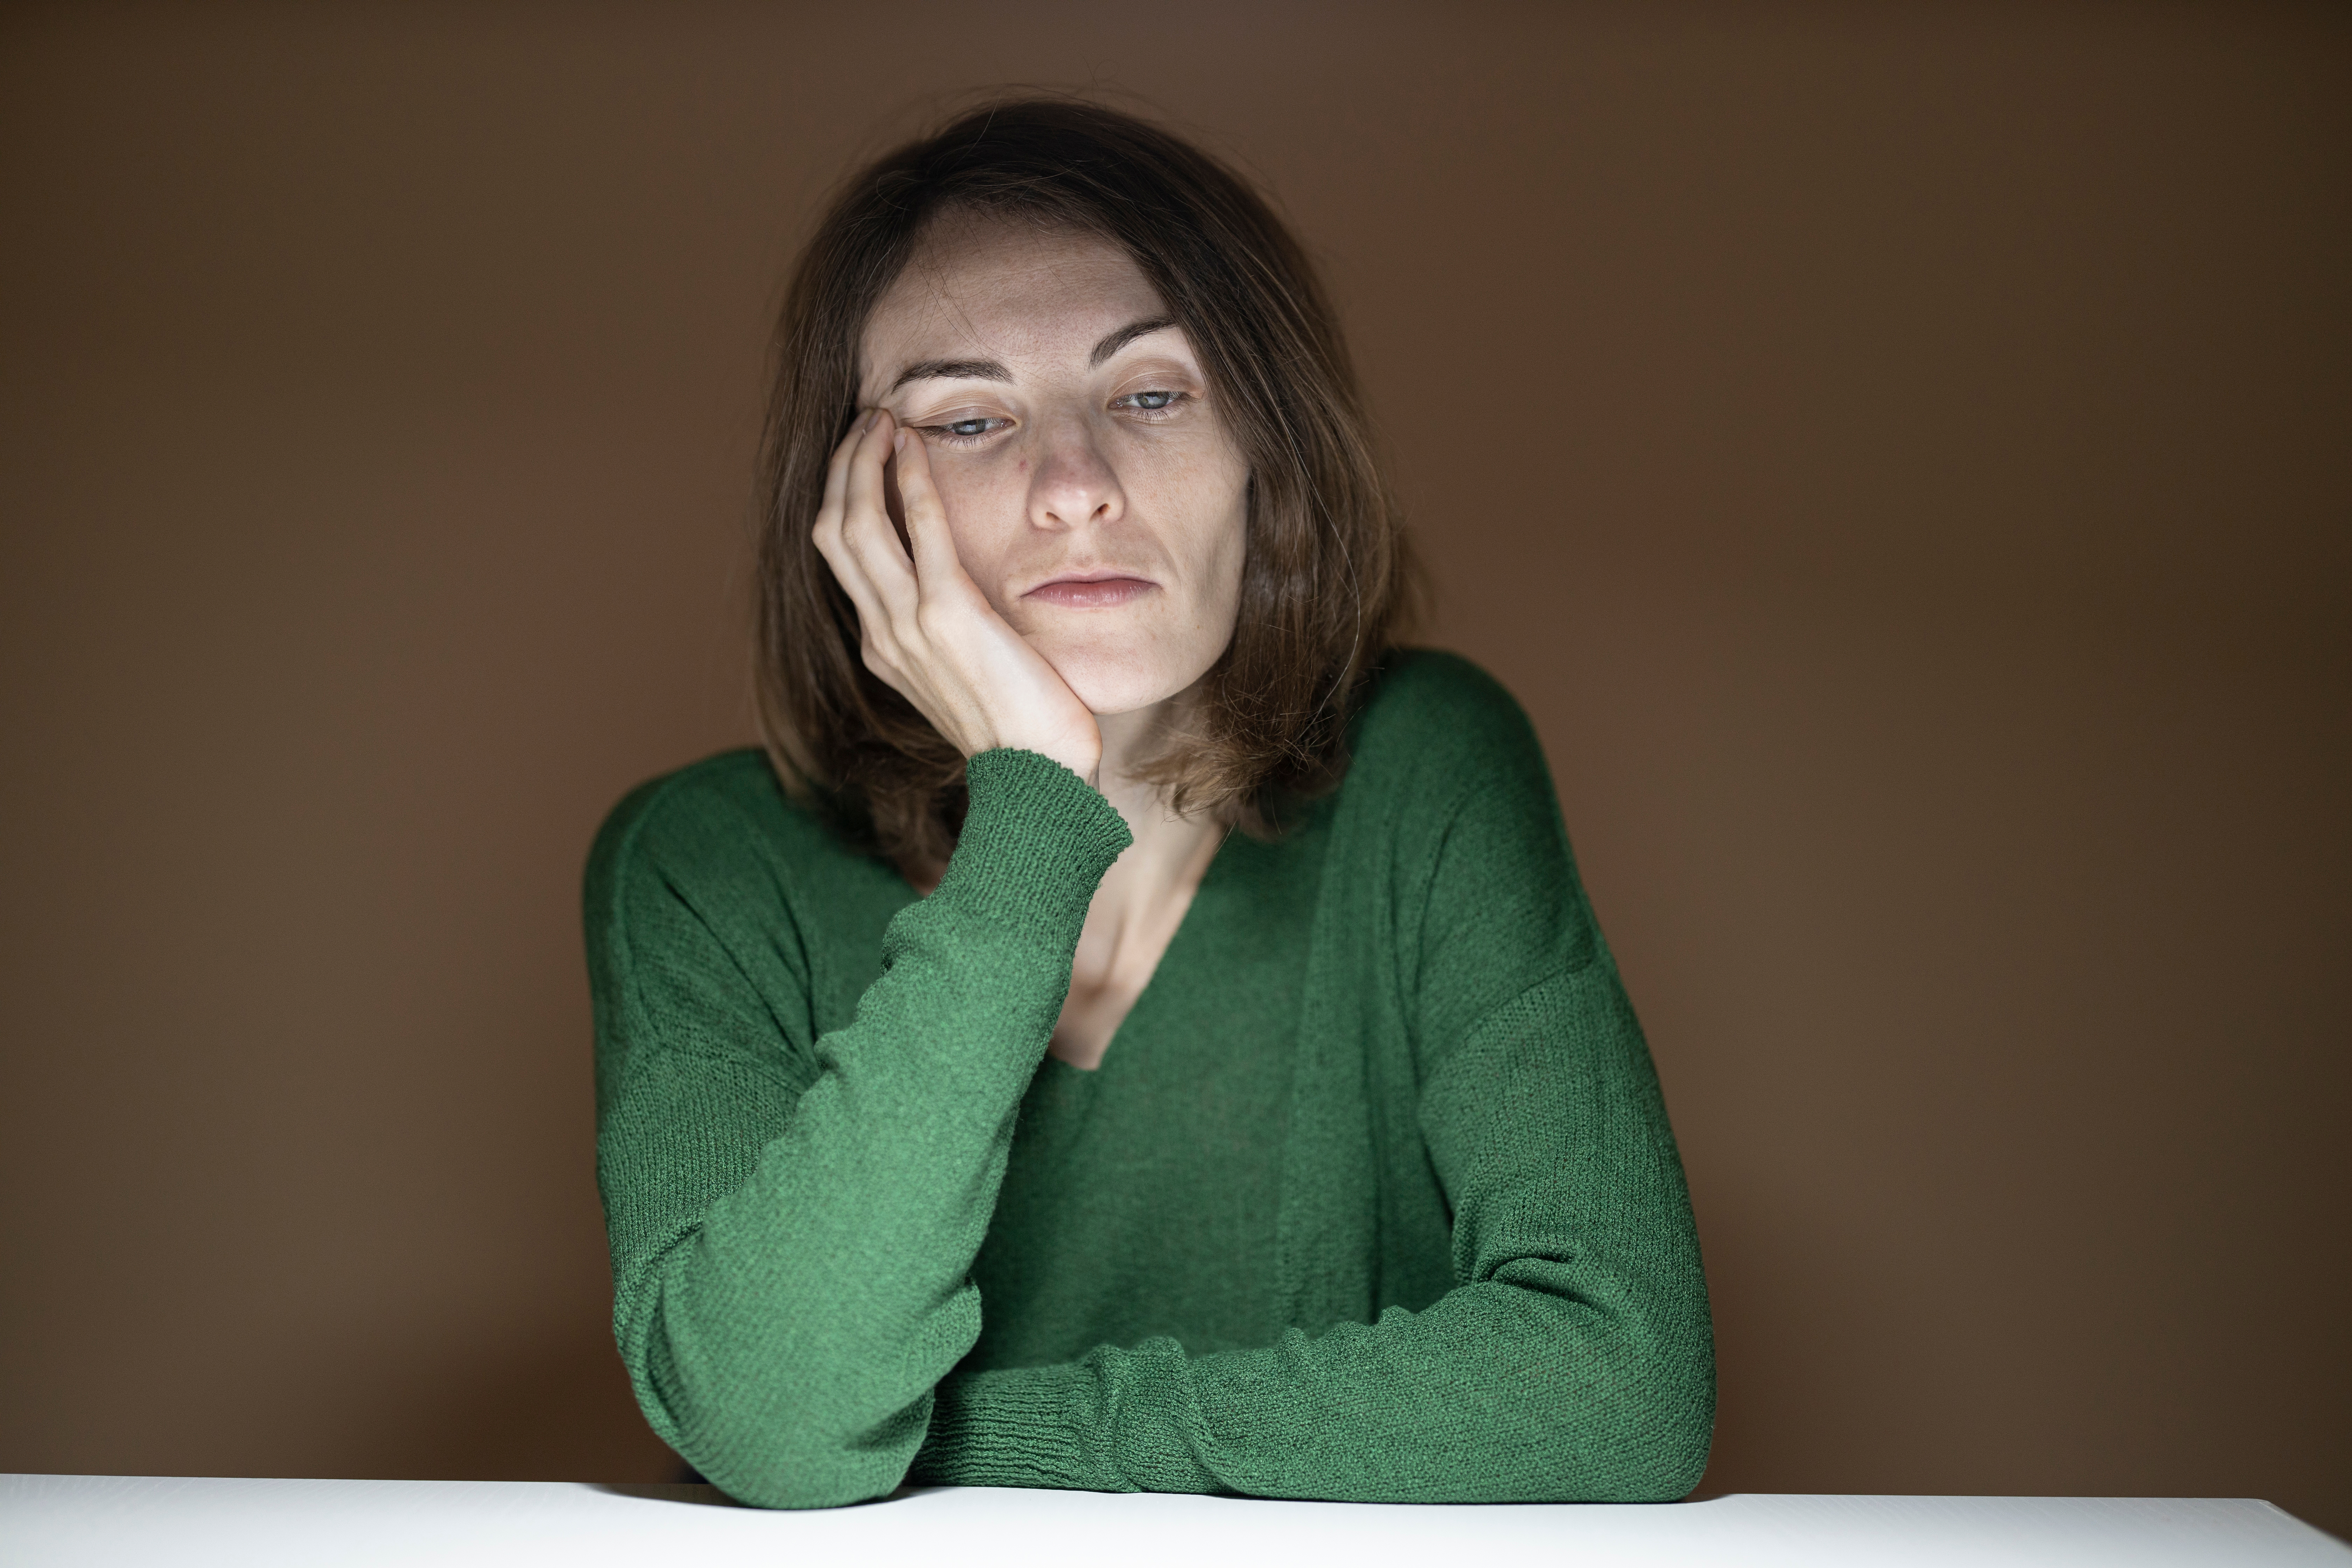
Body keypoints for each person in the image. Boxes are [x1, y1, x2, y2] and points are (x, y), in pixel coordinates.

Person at [583, 98, 1714, 1510]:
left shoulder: (1431, 761)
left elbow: (1619, 1388)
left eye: (1154, 394)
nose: (1075, 486)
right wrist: (1033, 805)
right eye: (971, 417)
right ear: (856, 504)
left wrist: (948, 1448)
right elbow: (771, 1409)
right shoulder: (704, 863)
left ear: (1268, 450)